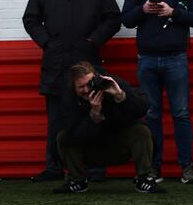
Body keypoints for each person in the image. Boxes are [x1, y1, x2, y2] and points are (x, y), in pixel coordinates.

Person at [22, 0, 121, 183]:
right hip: (56, 65)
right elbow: (30, 18)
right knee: (56, 120)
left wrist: (94, 41)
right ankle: (54, 168)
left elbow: (113, 18)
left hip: (88, 64)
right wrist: (47, 42)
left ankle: (95, 168)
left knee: (94, 116)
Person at [121, 0, 193, 184]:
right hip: (146, 59)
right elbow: (126, 19)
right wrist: (143, 10)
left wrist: (173, 13)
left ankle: (187, 169)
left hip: (176, 58)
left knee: (181, 114)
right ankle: (153, 169)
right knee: (152, 115)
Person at [52, 62, 165, 194]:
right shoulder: (69, 99)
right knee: (63, 137)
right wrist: (94, 117)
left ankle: (145, 179)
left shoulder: (111, 84)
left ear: (96, 77)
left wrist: (121, 96)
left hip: (120, 146)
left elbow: (142, 109)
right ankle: (77, 181)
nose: (87, 90)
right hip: (91, 150)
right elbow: (74, 135)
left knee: (141, 130)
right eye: (81, 87)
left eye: (89, 84)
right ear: (73, 86)